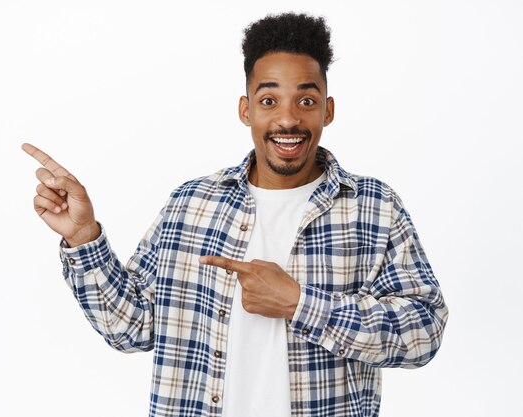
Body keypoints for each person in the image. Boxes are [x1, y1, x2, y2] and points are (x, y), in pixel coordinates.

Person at [23, 12, 448, 417]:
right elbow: (131, 326)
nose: (287, 118)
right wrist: (83, 237)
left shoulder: (373, 206)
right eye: (269, 99)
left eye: (305, 100)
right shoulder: (193, 204)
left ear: (327, 110)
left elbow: (425, 332)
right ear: (246, 109)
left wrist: (300, 304)